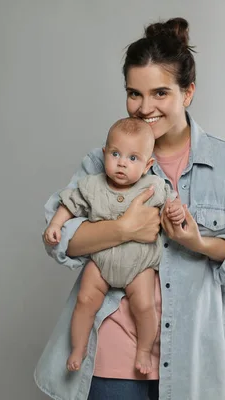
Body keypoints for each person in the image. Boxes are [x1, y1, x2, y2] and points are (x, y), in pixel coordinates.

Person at [35, 17, 225, 400]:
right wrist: (124, 228)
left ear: (187, 92)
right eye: (134, 94)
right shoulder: (105, 161)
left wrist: (200, 243)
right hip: (111, 362)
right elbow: (59, 241)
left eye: (160, 93)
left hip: (189, 364)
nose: (144, 108)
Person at [43, 117, 184, 374]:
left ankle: (143, 350)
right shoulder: (91, 185)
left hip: (139, 264)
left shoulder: (153, 186)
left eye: (133, 158)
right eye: (116, 154)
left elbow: (171, 202)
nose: (122, 163)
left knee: (144, 305)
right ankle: (78, 347)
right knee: (85, 300)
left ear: (147, 165)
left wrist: (175, 211)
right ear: (105, 153)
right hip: (101, 261)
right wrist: (55, 224)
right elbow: (69, 204)